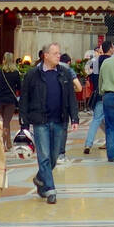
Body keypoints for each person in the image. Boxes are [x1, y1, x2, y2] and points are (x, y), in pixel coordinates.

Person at [22, 42, 79, 203]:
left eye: (59, 53)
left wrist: (74, 117)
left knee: (54, 156)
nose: (58, 56)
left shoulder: (64, 73)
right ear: (45, 55)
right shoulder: (33, 74)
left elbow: (71, 97)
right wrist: (24, 123)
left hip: (59, 120)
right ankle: (50, 190)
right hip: (41, 121)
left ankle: (40, 178)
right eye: (55, 53)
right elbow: (25, 98)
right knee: (44, 156)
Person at [82, 41, 112, 154]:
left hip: (98, 95)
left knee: (96, 120)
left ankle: (88, 144)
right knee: (113, 120)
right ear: (110, 49)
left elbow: (92, 77)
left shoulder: (95, 62)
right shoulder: (111, 61)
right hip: (109, 94)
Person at [0, 56, 22, 154]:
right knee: (6, 122)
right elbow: (20, 87)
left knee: (3, 122)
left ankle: (8, 143)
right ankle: (4, 144)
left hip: (0, 99)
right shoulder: (15, 73)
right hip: (10, 100)